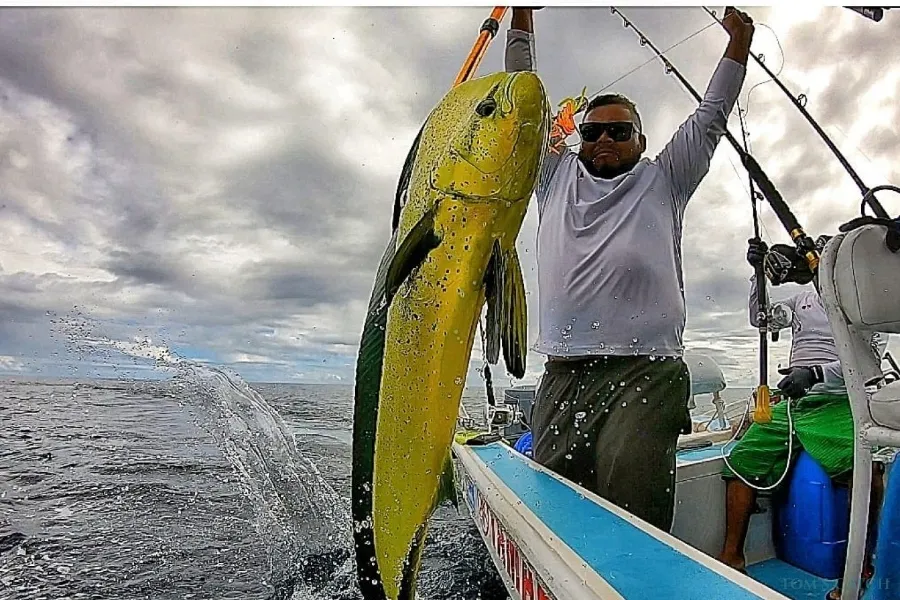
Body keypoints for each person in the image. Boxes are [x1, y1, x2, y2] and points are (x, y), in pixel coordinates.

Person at [504, 7, 755, 531]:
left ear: (640, 140)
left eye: (619, 131)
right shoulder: (553, 177)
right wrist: (521, 15)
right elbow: (522, 99)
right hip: (563, 370)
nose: (604, 140)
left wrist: (739, 41)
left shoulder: (666, 178)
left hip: (646, 370)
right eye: (593, 131)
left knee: (631, 507)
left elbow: (711, 114)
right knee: (555, 507)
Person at [718, 238, 886, 600]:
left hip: (841, 402)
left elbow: (866, 365)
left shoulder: (866, 306)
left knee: (864, 471)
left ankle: (861, 565)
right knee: (741, 460)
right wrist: (757, 277)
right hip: (794, 404)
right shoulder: (802, 299)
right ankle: (731, 556)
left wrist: (814, 373)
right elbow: (763, 318)